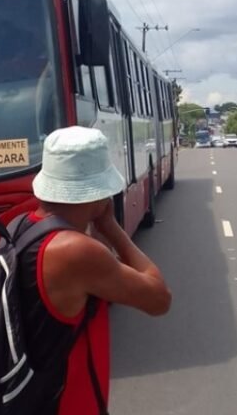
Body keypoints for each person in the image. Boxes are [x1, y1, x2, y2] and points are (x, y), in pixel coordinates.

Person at [22, 126, 171, 413]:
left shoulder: (23, 229)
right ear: (97, 194)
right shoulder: (76, 252)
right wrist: (112, 229)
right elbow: (159, 298)